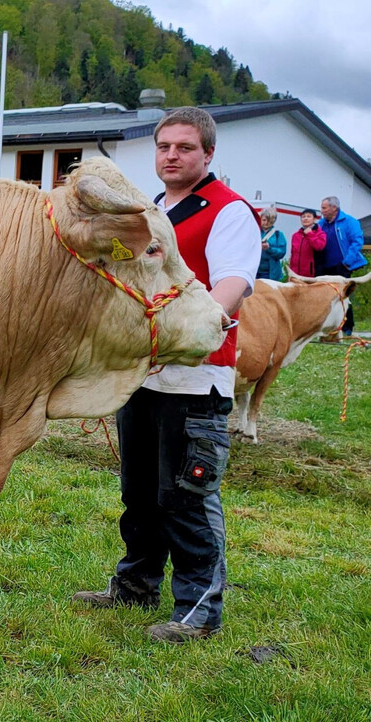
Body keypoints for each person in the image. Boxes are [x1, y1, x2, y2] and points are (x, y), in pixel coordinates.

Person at [72, 107, 260, 643]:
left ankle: (199, 607)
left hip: (195, 379)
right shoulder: (150, 211)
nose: (171, 156)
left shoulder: (228, 211)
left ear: (208, 154)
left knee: (187, 495)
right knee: (140, 491)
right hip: (143, 374)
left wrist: (200, 329)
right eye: (164, 147)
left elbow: (233, 283)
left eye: (184, 147)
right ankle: (136, 583)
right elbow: (124, 265)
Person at [318, 196, 367, 336]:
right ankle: (328, 325)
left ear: (334, 208)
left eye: (324, 208)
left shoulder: (349, 222)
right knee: (326, 297)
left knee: (343, 295)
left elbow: (357, 242)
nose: (322, 211)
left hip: (342, 266)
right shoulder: (321, 224)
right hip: (325, 266)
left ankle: (347, 326)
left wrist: (347, 262)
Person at [288, 208, 326, 278]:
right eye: (303, 217)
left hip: (311, 274)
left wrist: (310, 234)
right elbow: (293, 255)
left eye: (308, 216)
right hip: (295, 274)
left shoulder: (320, 234)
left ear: (314, 219)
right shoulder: (295, 235)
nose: (305, 218)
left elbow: (319, 247)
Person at [255, 206, 286, 281]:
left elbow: (281, 252)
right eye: (264, 220)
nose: (265, 223)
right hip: (255, 271)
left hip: (270, 273)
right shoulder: (255, 232)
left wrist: (269, 248)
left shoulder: (278, 234)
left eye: (269, 221)